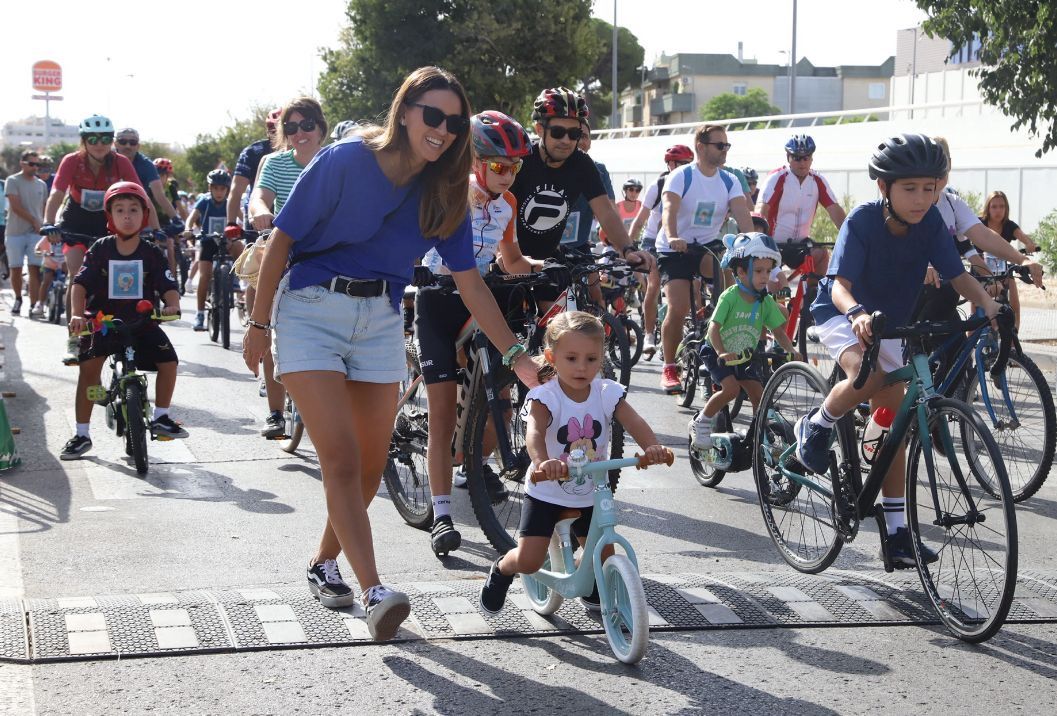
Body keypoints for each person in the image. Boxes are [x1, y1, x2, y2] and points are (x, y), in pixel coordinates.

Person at [241, 66, 540, 641]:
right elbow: (282, 237)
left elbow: (471, 284)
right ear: (404, 111)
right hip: (309, 310)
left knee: (371, 467)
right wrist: (257, 322)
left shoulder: (445, 192)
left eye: (455, 122)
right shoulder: (346, 160)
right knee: (342, 458)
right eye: (433, 115)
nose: (444, 130)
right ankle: (376, 590)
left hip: (379, 318)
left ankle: (323, 562)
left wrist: (521, 357)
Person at [794, 133, 1003, 567]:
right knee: (867, 377)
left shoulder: (929, 224)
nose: (922, 198)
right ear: (883, 187)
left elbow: (956, 274)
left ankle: (896, 534)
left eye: (930, 188)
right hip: (841, 315)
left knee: (896, 429)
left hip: (891, 326)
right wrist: (856, 315)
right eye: (910, 188)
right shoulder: (862, 220)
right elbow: (841, 288)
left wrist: (986, 302)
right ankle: (816, 424)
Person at [416, 110, 546, 556]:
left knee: (499, 401)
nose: (508, 176)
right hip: (437, 300)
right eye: (499, 167)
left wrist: (548, 268)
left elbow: (510, 259)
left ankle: (475, 458)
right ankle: (441, 514)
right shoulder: (451, 195)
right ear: (474, 161)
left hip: (480, 301)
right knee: (440, 414)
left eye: (515, 168)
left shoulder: (508, 206)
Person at [478, 311, 669, 615]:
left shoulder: (606, 392)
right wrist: (543, 462)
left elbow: (633, 420)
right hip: (547, 491)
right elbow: (535, 433)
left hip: (590, 490)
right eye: (572, 358)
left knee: (604, 553)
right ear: (552, 357)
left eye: (591, 359)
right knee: (528, 560)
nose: (582, 367)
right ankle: (502, 569)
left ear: (601, 357)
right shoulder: (546, 396)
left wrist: (652, 447)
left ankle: (595, 580)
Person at [60, 181, 186, 460]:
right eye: (120, 210)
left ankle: (162, 417)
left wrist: (172, 304)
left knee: (169, 363)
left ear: (144, 215)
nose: (127, 216)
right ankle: (82, 434)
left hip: (143, 322)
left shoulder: (151, 251)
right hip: (104, 324)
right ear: (110, 216)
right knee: (88, 371)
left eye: (133, 210)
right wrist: (78, 314)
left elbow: (167, 284)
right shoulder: (101, 249)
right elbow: (79, 285)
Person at [510, 87, 653, 294]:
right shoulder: (521, 161)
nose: (566, 140)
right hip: (511, 259)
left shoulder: (582, 164)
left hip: (551, 263)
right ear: (540, 130)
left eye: (574, 133)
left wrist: (628, 250)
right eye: (558, 132)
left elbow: (605, 212)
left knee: (565, 321)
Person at [247, 97, 328, 439]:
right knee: (266, 317)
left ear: (321, 128)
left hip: (329, 253)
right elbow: (259, 197)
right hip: (287, 250)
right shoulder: (275, 163)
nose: (300, 133)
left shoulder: (333, 160)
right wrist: (260, 211)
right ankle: (276, 412)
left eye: (307, 125)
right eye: (291, 128)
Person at [656, 124, 754, 393]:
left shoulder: (729, 180)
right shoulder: (680, 176)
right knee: (678, 308)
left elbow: (742, 214)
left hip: (707, 246)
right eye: (719, 145)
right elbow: (669, 210)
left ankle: (722, 342)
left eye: (727, 146)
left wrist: (754, 241)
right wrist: (673, 235)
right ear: (701, 146)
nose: (724, 151)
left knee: (734, 289)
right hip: (674, 248)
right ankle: (669, 367)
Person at [914, 138, 1044, 338]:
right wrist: (922, 264)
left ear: (950, 163)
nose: (938, 170)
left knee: (959, 361)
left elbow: (982, 236)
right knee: (913, 361)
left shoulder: (952, 203)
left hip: (946, 294)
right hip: (911, 297)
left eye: (943, 162)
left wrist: (1023, 260)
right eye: (932, 161)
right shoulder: (911, 202)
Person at [43, 115, 142, 364]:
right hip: (75, 220)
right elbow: (56, 193)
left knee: (117, 273)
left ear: (112, 141)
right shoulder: (72, 161)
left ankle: (124, 331)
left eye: (106, 139)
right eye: (93, 139)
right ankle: (74, 339)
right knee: (77, 275)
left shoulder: (119, 162)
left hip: (106, 221)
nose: (100, 144)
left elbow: (140, 195)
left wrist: (148, 227)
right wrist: (49, 222)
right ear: (84, 141)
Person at [688, 233, 798, 450]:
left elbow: (778, 331)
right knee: (730, 390)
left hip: (745, 354)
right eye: (758, 271)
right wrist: (721, 352)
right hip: (717, 351)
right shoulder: (730, 296)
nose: (765, 276)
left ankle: (760, 433)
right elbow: (713, 328)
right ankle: (700, 422)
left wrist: (790, 350)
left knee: (759, 393)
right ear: (740, 271)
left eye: (768, 271)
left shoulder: (765, 302)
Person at [628, 144, 694, 360]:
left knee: (696, 285)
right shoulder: (657, 185)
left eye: (688, 164)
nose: (686, 168)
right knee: (654, 284)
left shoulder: (692, 183)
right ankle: (648, 335)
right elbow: (639, 220)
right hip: (653, 241)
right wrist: (626, 248)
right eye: (682, 164)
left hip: (682, 242)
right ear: (671, 164)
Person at [757, 134, 845, 290]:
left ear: (811, 158)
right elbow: (761, 211)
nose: (802, 162)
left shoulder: (818, 180)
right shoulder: (777, 178)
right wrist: (758, 241)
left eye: (806, 157)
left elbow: (836, 212)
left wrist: (852, 235)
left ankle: (812, 298)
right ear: (788, 157)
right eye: (797, 158)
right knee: (776, 293)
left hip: (799, 245)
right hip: (773, 245)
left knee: (821, 254)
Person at [113, 128, 180, 276]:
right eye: (123, 142)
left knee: (159, 249)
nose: (128, 146)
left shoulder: (146, 165)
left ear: (138, 145)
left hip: (141, 214)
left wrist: (175, 218)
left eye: (133, 142)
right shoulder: (107, 160)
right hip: (110, 216)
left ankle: (166, 283)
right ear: (115, 143)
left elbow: (159, 195)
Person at [980, 190, 1040, 329]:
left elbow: (1023, 237)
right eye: (994, 206)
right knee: (976, 310)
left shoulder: (1008, 225)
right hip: (981, 266)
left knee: (1014, 303)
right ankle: (969, 341)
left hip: (1002, 267)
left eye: (1002, 206)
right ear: (988, 208)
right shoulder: (980, 223)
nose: (998, 210)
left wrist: (1030, 244)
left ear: (1006, 208)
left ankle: (1013, 339)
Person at [186, 169, 233, 331]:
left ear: (227, 189)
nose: (219, 192)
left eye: (223, 189)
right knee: (205, 276)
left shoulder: (230, 202)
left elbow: (242, 216)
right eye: (215, 188)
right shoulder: (204, 202)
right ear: (210, 188)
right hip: (207, 242)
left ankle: (242, 278)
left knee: (239, 246)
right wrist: (188, 229)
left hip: (225, 242)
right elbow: (192, 217)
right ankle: (199, 314)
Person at [4, 151, 48, 316]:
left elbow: (43, 208)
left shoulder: (41, 185)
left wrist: (43, 224)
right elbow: (15, 206)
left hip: (36, 233)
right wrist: (34, 221)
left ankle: (34, 304)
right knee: (15, 269)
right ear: (22, 163)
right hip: (15, 232)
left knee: (35, 269)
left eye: (38, 164)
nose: (35, 167)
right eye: (32, 164)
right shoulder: (13, 180)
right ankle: (17, 298)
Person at [564, 122, 615, 252]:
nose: (580, 141)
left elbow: (610, 213)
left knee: (594, 272)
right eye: (576, 136)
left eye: (585, 136)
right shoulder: (552, 166)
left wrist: (625, 248)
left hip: (580, 247)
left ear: (590, 142)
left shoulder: (600, 170)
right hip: (545, 251)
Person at [227, 110, 281, 228]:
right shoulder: (253, 152)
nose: (277, 135)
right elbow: (236, 190)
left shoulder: (302, 150)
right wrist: (231, 223)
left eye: (281, 130)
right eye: (272, 131)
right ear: (267, 131)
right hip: (258, 217)